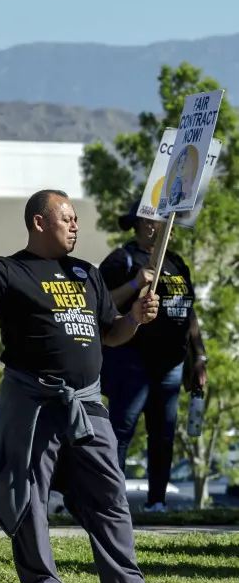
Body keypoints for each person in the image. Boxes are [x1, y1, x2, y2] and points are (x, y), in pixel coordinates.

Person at [0, 188, 177, 583]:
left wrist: (135, 318)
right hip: (35, 404)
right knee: (31, 495)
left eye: (75, 219)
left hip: (87, 405)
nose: (75, 226)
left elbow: (112, 334)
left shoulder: (87, 274)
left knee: (109, 493)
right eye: (67, 218)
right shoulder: (9, 270)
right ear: (39, 222)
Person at [99, 203, 206, 511]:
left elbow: (188, 311)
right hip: (131, 361)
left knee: (163, 436)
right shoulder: (122, 259)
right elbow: (100, 302)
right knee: (121, 431)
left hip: (170, 365)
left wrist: (200, 356)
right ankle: (111, 501)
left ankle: (156, 501)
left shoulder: (176, 263)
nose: (164, 228)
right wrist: (136, 283)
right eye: (158, 222)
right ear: (144, 225)